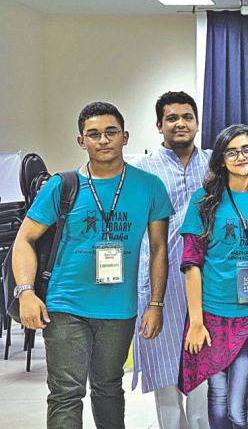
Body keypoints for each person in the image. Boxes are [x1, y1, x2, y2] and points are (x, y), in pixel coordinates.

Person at [12, 101, 174, 428]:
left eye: (110, 132)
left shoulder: (150, 186)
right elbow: (24, 240)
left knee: (109, 387)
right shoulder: (63, 185)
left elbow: (159, 249)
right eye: (94, 134)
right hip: (65, 304)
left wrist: (156, 303)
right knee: (66, 392)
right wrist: (26, 292)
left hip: (119, 309)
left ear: (125, 136)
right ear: (81, 140)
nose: (103, 140)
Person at [179, 124, 248, 429]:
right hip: (213, 314)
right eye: (232, 151)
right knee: (217, 393)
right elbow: (191, 263)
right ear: (220, 160)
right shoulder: (203, 201)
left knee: (240, 399)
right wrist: (196, 322)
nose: (241, 156)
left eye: (247, 150)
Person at [131, 91, 211, 429]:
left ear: (196, 122)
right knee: (163, 368)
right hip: (157, 283)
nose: (180, 123)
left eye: (187, 117)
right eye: (172, 118)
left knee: (204, 365)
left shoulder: (213, 164)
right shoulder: (142, 169)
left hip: (205, 280)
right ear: (159, 125)